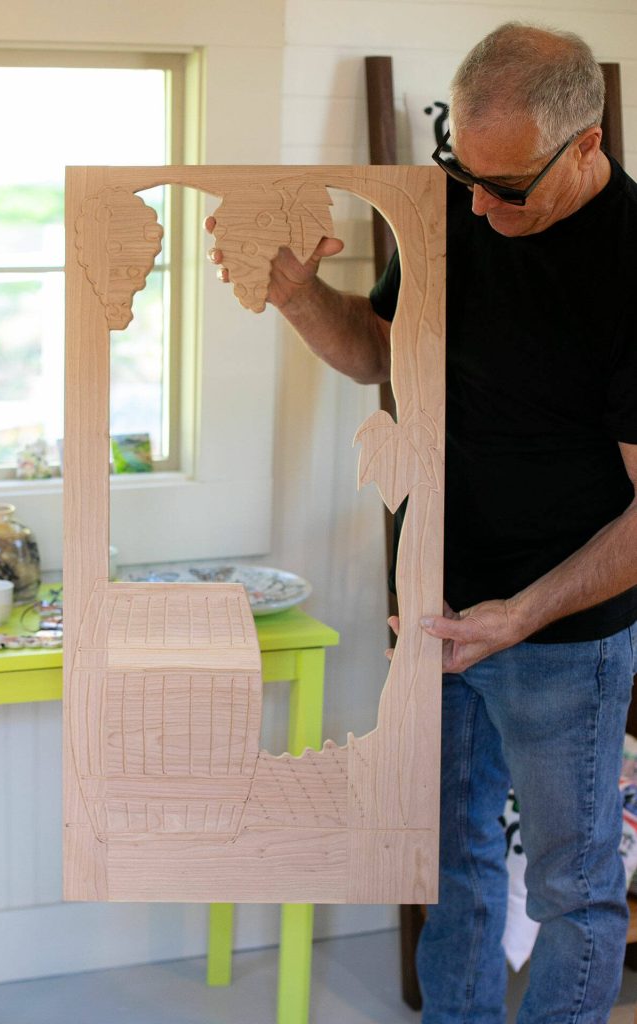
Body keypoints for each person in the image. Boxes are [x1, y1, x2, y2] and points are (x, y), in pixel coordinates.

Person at [208, 22, 637, 1024]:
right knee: (446, 862)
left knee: (572, 890)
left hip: (560, 642)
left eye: (505, 188)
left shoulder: (626, 267)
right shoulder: (453, 208)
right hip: (431, 618)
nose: (476, 205)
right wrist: (297, 293)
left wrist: (517, 615)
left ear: (585, 144)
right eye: (461, 174)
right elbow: (377, 355)